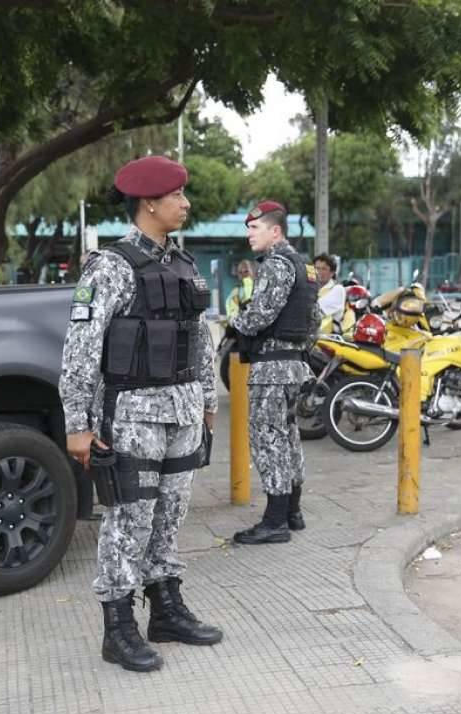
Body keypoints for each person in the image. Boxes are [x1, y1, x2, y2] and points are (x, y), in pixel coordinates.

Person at [60, 155, 223, 673]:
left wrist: (208, 401)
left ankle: (166, 608)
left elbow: (200, 338)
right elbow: (80, 349)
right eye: (177, 196)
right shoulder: (110, 267)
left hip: (181, 409)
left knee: (171, 514)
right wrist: (78, 424)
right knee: (129, 518)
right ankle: (118, 625)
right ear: (149, 203)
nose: (185, 203)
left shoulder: (184, 264)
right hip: (132, 413)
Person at [230, 201, 320, 545]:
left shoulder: (275, 265)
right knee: (287, 437)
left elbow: (260, 316)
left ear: (275, 230)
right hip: (295, 362)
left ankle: (274, 521)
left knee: (268, 440)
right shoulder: (305, 267)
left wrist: (234, 323)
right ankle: (292, 512)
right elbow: (314, 320)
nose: (249, 234)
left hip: (272, 366)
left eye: (255, 228)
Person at [315, 253, 353, 336]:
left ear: (332, 273)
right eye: (317, 268)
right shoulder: (312, 288)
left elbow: (315, 312)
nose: (319, 272)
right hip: (313, 339)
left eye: (324, 269)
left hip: (329, 341)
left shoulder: (337, 290)